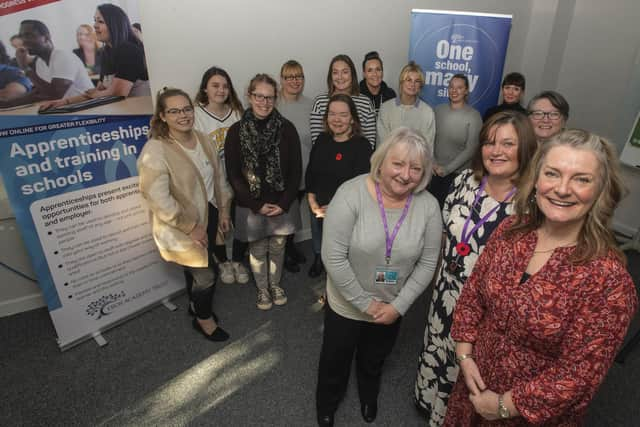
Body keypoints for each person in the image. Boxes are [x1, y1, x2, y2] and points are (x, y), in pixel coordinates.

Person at [443, 129, 638, 426]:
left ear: (601, 190)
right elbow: (472, 296)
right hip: (472, 387)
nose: (562, 189)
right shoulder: (511, 231)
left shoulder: (608, 280)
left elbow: (578, 375)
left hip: (525, 416)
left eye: (581, 179)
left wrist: (503, 406)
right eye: (552, 174)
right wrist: (465, 355)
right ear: (536, 179)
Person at [414, 110, 538, 425]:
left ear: (524, 149)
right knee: (437, 346)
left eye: (508, 144)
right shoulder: (463, 182)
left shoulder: (532, 205)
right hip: (446, 289)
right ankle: (427, 400)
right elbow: (444, 231)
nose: (496, 151)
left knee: (467, 364)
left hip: (487, 308)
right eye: (489, 143)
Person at [315, 127, 442, 426]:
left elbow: (427, 262)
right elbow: (332, 257)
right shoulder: (351, 193)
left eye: (415, 168)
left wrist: (398, 306)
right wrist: (364, 304)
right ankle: (327, 400)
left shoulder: (428, 207)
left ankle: (368, 393)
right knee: (336, 358)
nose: (405, 174)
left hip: (390, 306)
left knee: (374, 358)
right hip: (347, 304)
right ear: (381, 162)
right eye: (398, 164)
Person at [138, 88, 232, 342]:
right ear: (162, 115)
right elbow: (158, 199)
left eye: (187, 109)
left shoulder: (203, 139)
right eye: (174, 111)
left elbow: (218, 177)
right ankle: (204, 319)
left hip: (209, 214)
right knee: (206, 274)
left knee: (199, 265)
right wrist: (191, 227)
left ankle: (194, 304)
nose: (183, 115)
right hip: (181, 225)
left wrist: (223, 210)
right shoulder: (155, 150)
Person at [225, 74, 302, 310]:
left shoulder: (287, 129)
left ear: (275, 99)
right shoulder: (236, 131)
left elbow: (296, 169)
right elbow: (234, 175)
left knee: (278, 247)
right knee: (257, 249)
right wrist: (256, 205)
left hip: (281, 203)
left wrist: (285, 202)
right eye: (259, 96)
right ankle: (262, 289)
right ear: (250, 96)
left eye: (270, 97)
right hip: (252, 205)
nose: (264, 102)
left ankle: (275, 284)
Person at [193, 66, 249, 285]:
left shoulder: (236, 111)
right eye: (215, 85)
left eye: (225, 86)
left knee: (241, 221)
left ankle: (236, 260)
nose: (221, 90)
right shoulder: (196, 114)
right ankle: (223, 261)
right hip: (212, 182)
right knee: (216, 223)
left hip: (237, 178)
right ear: (205, 88)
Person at [306, 94, 372, 278]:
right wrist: (311, 200)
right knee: (321, 244)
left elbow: (362, 188)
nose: (337, 119)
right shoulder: (321, 140)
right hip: (318, 207)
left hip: (346, 214)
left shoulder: (362, 146)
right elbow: (311, 171)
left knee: (340, 261)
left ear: (352, 118)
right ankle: (319, 258)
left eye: (343, 114)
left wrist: (335, 209)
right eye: (332, 114)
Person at [38, 3, 149, 110]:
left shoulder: (128, 49)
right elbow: (98, 91)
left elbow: (118, 93)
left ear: (115, 24)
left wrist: (96, 94)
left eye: (100, 21)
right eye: (95, 20)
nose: (95, 25)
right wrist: (63, 102)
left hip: (140, 115)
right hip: (123, 111)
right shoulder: (106, 52)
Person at [0, 20, 93, 108]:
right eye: (22, 37)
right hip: (66, 110)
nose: (24, 41)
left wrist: (25, 68)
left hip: (87, 108)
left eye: (29, 35)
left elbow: (55, 94)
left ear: (46, 37)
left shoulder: (62, 56)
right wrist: (7, 104)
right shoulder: (40, 62)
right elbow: (40, 93)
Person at [277, 59, 312, 273]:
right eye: (289, 76)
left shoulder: (310, 105)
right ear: (281, 80)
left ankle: (290, 247)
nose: (294, 81)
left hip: (305, 170)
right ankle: (285, 253)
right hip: (283, 174)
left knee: (295, 213)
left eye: (298, 76)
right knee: (284, 215)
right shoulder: (274, 105)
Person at [429, 74, 482, 208]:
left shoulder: (474, 116)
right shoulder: (438, 110)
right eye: (451, 87)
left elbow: (471, 149)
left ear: (466, 91)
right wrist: (433, 163)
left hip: (457, 176)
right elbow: (430, 138)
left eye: (459, 88)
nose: (454, 91)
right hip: (433, 172)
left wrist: (446, 169)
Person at [310, 54, 377, 148]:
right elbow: (317, 142)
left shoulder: (365, 102)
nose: (340, 77)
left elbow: (370, 143)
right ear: (331, 76)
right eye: (335, 72)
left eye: (345, 72)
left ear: (352, 74)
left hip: (358, 159)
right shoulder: (320, 102)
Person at [377, 61, 435, 147]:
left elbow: (428, 148)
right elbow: (382, 146)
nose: (412, 84)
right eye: (409, 80)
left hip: (417, 160)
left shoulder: (428, 112)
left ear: (420, 85)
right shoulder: (385, 109)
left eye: (417, 81)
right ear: (401, 82)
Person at [358, 51, 396, 115]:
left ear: (382, 72)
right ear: (364, 74)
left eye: (378, 69)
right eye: (370, 70)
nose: (375, 74)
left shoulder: (391, 95)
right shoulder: (356, 96)